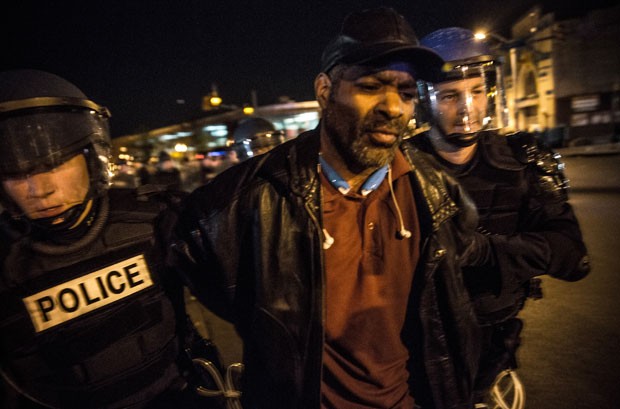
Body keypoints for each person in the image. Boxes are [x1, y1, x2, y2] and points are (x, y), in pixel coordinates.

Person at [160, 8, 500, 409]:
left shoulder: (437, 195)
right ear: (324, 90)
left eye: (406, 94)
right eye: (372, 86)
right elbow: (200, 269)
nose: (393, 108)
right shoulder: (249, 198)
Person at [0, 69, 220, 409]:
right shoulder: (7, 264)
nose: (40, 190)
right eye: (17, 173)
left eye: (55, 162)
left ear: (91, 156)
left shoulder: (154, 216)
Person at [412, 27, 591, 406]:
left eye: (476, 91)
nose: (467, 108)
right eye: (449, 96)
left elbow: (573, 258)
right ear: (424, 100)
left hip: (494, 348)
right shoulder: (401, 167)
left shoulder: (522, 159)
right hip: (418, 350)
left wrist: (484, 251)